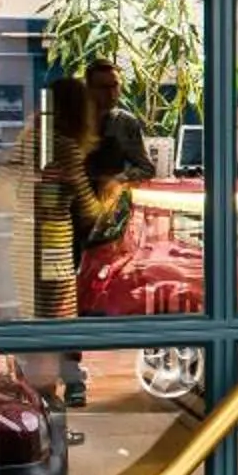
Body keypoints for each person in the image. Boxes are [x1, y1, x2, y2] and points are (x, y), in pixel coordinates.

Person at [33, 76, 130, 403]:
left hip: (29, 242)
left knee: (40, 317)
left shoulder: (34, 140)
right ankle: (61, 391)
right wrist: (114, 192)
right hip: (55, 243)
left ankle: (45, 390)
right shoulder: (66, 147)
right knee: (61, 316)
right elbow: (90, 210)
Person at [84, 59, 158, 187]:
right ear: (89, 89)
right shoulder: (70, 120)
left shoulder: (125, 122)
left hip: (109, 200)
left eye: (115, 86)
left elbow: (146, 168)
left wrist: (119, 179)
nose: (111, 93)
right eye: (103, 88)